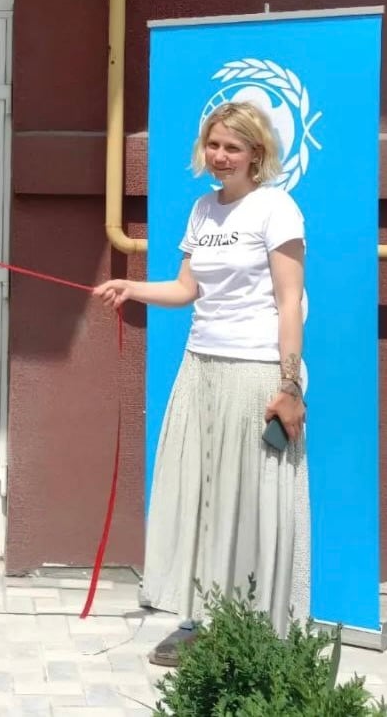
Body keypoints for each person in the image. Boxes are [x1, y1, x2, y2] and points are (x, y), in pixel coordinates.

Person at [92, 100, 309, 667]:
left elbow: (290, 302)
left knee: (253, 502)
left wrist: (290, 386)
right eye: (213, 144)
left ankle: (260, 627)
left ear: (256, 154)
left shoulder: (277, 208)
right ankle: (201, 620)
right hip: (200, 365)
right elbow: (188, 289)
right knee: (202, 493)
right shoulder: (203, 210)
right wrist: (132, 288)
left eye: (232, 147)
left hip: (255, 369)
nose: (220, 156)